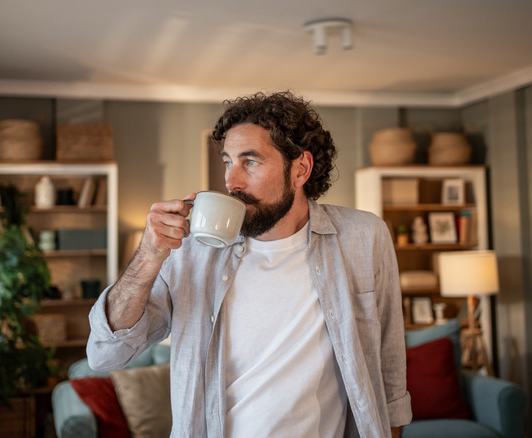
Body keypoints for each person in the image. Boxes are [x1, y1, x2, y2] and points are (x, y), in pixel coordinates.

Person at [87, 91, 411, 437]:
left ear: (300, 169)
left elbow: (389, 367)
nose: (231, 181)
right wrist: (148, 256)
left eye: (250, 162)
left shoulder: (363, 236)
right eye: (228, 162)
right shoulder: (189, 254)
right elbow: (106, 355)